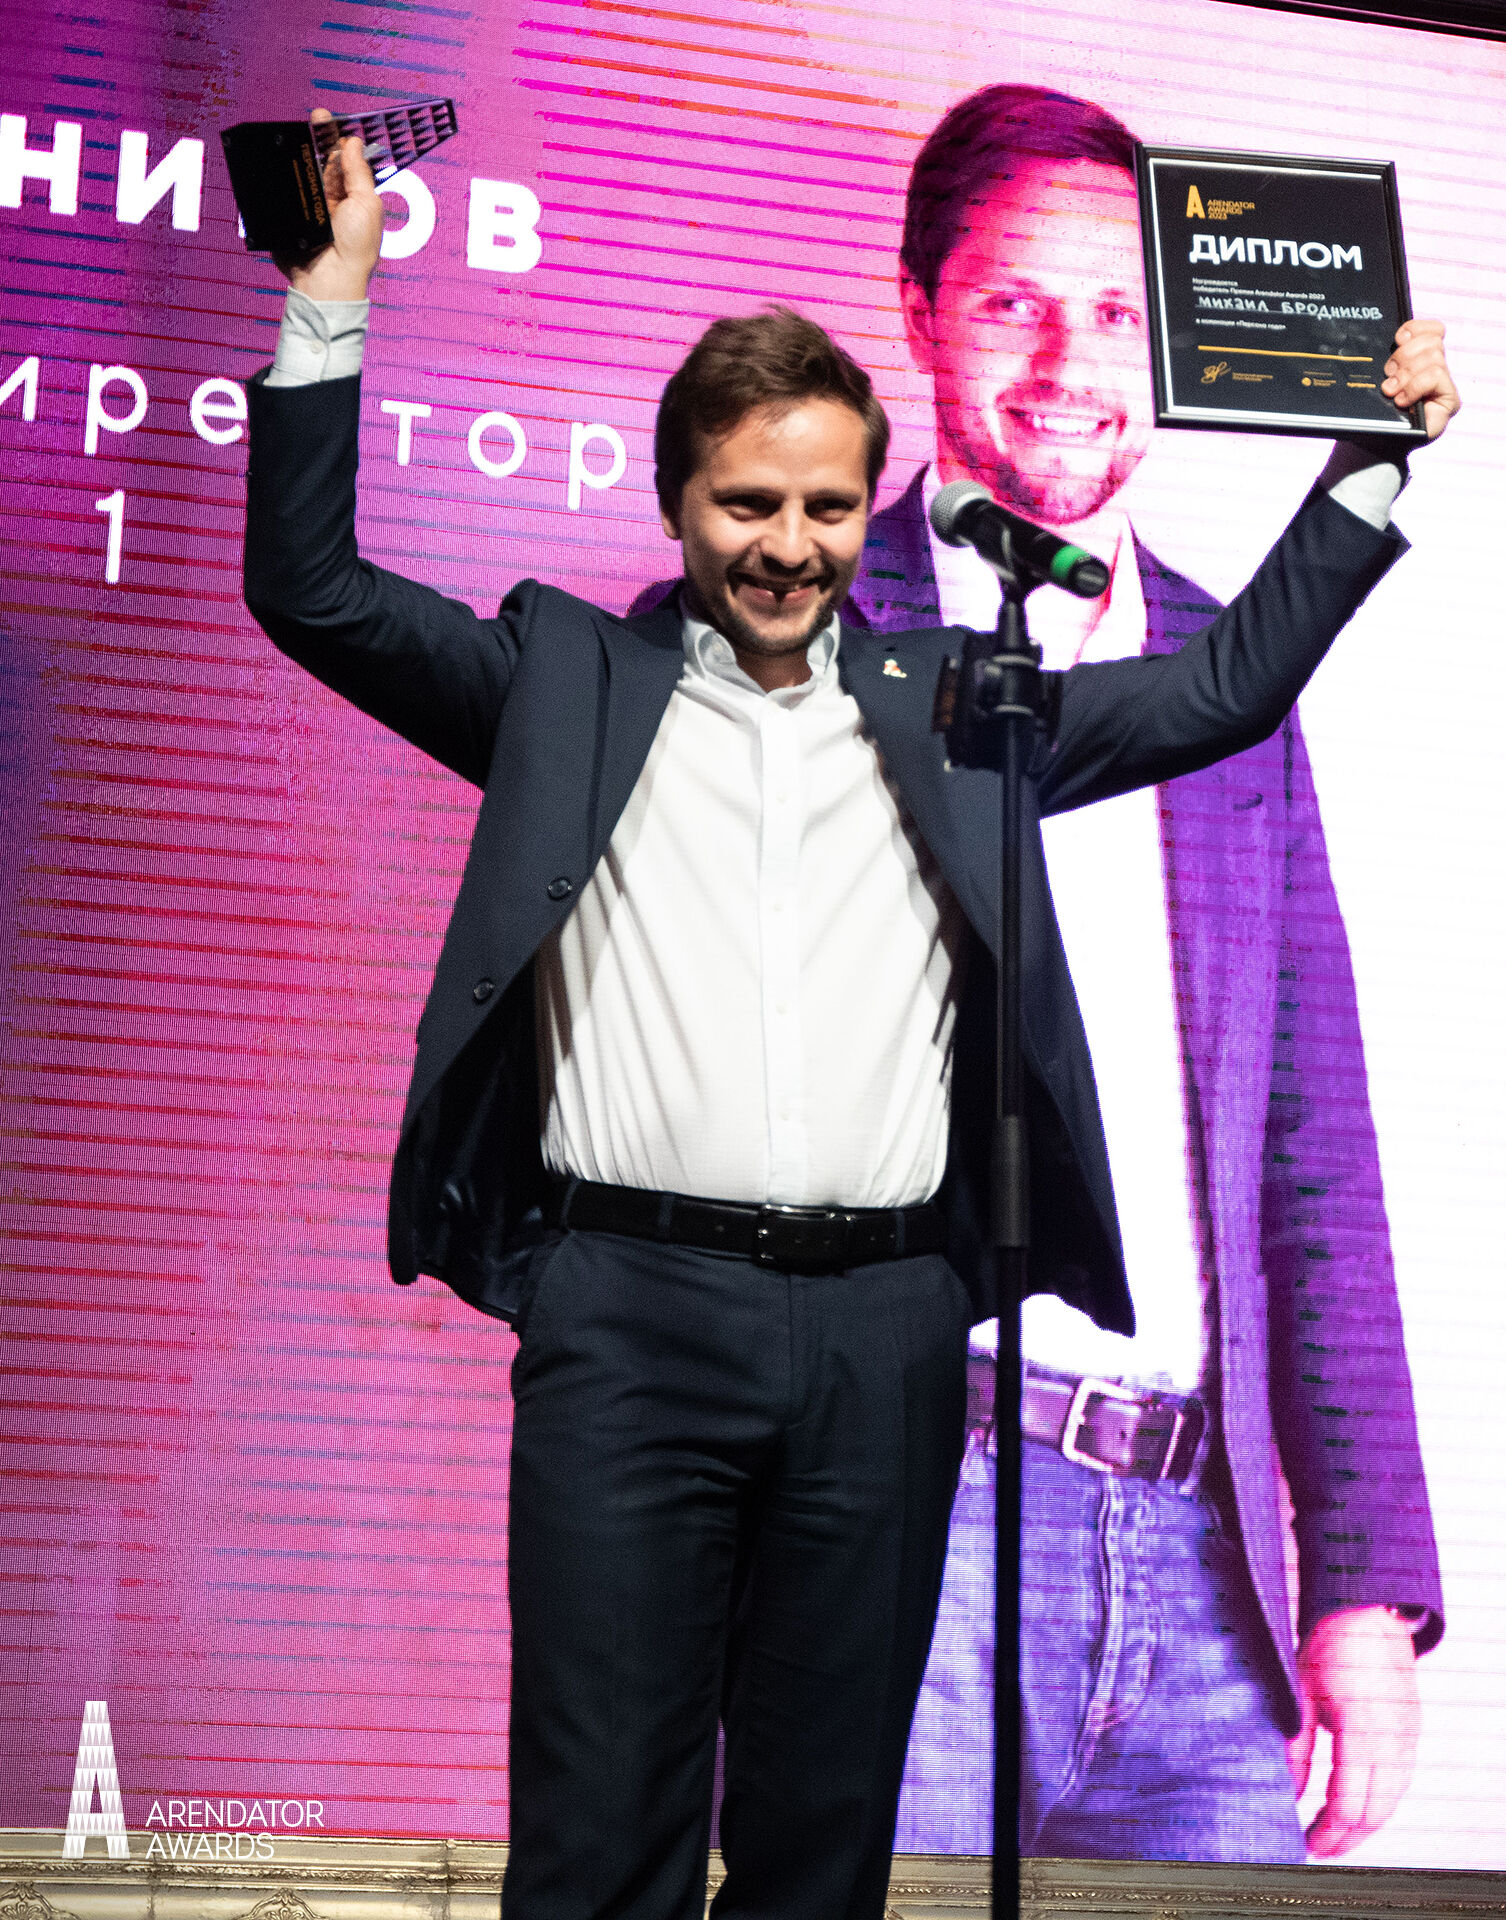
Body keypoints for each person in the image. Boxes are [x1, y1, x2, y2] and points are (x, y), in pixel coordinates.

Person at [240, 112, 1458, 1918]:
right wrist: (327, 302)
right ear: (679, 506)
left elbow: (1222, 695)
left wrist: (1368, 458)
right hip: (675, 1334)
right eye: (748, 506)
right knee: (618, 1845)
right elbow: (314, 591)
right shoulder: (576, 679)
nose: (789, 549)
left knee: (818, 1874)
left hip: (937, 1369)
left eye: (823, 508)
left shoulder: (959, 703)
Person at [844, 85, 1446, 1864]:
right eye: (1011, 302)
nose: (1070, 362)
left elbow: (1312, 1156)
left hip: (1200, 1573)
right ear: (916, 312)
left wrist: (1361, 1588)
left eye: (1119, 310)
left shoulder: (1230, 676)